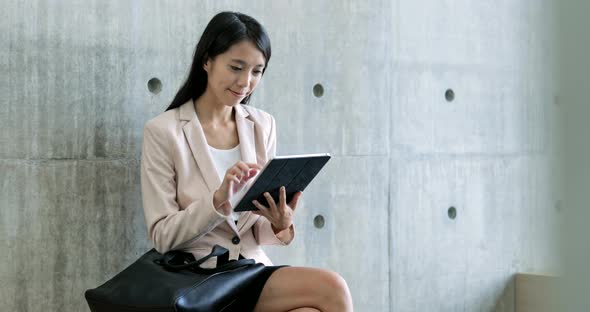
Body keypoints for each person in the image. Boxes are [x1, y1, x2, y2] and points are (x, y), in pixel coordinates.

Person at [140, 11, 353, 312]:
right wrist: (217, 200)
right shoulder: (164, 132)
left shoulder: (262, 125)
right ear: (207, 61)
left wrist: (280, 223)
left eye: (257, 71)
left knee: (323, 298)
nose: (246, 82)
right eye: (236, 67)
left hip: (250, 269)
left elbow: (254, 232)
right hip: (198, 278)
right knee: (332, 289)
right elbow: (162, 236)